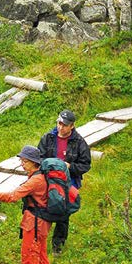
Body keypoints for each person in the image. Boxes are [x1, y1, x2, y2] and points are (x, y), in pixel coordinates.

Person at [37, 109, 91, 255]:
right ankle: (38, 240)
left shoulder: (79, 142)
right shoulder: (47, 138)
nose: (61, 127)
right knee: (42, 207)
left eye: (65, 125)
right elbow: (38, 158)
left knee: (63, 212)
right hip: (49, 179)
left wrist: (70, 167)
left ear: (72, 126)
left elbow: (85, 165)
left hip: (68, 181)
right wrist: (49, 166)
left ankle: (58, 244)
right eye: (59, 123)